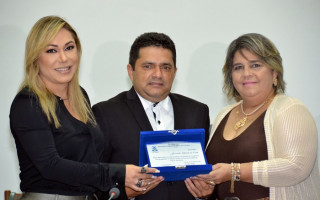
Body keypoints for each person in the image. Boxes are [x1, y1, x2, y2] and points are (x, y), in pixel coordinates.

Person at [9, 16, 159, 200]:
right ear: (35, 58)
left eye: (69, 48)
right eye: (51, 50)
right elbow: (51, 166)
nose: (64, 58)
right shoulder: (28, 103)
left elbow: (88, 164)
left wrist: (121, 185)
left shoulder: (80, 96)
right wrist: (120, 172)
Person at [185, 33, 320, 200]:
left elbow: (296, 167)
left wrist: (233, 171)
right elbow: (218, 177)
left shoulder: (289, 109)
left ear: (274, 72)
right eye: (238, 67)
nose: (246, 73)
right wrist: (207, 190)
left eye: (255, 65)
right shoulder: (223, 115)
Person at [92, 32, 210, 200]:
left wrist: (206, 193)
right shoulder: (105, 113)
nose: (158, 74)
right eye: (148, 66)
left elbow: (208, 174)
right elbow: (94, 179)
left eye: (165, 67)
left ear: (175, 72)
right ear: (130, 71)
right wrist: (127, 194)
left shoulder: (197, 111)